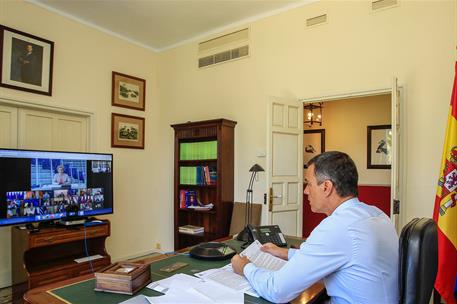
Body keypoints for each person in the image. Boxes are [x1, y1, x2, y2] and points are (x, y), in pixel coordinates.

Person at [231, 151, 399, 303]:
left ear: (326, 187)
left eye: (309, 184)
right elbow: (340, 255)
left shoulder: (337, 227)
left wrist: (245, 267)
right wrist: (285, 253)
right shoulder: (377, 214)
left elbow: (277, 290)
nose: (305, 191)